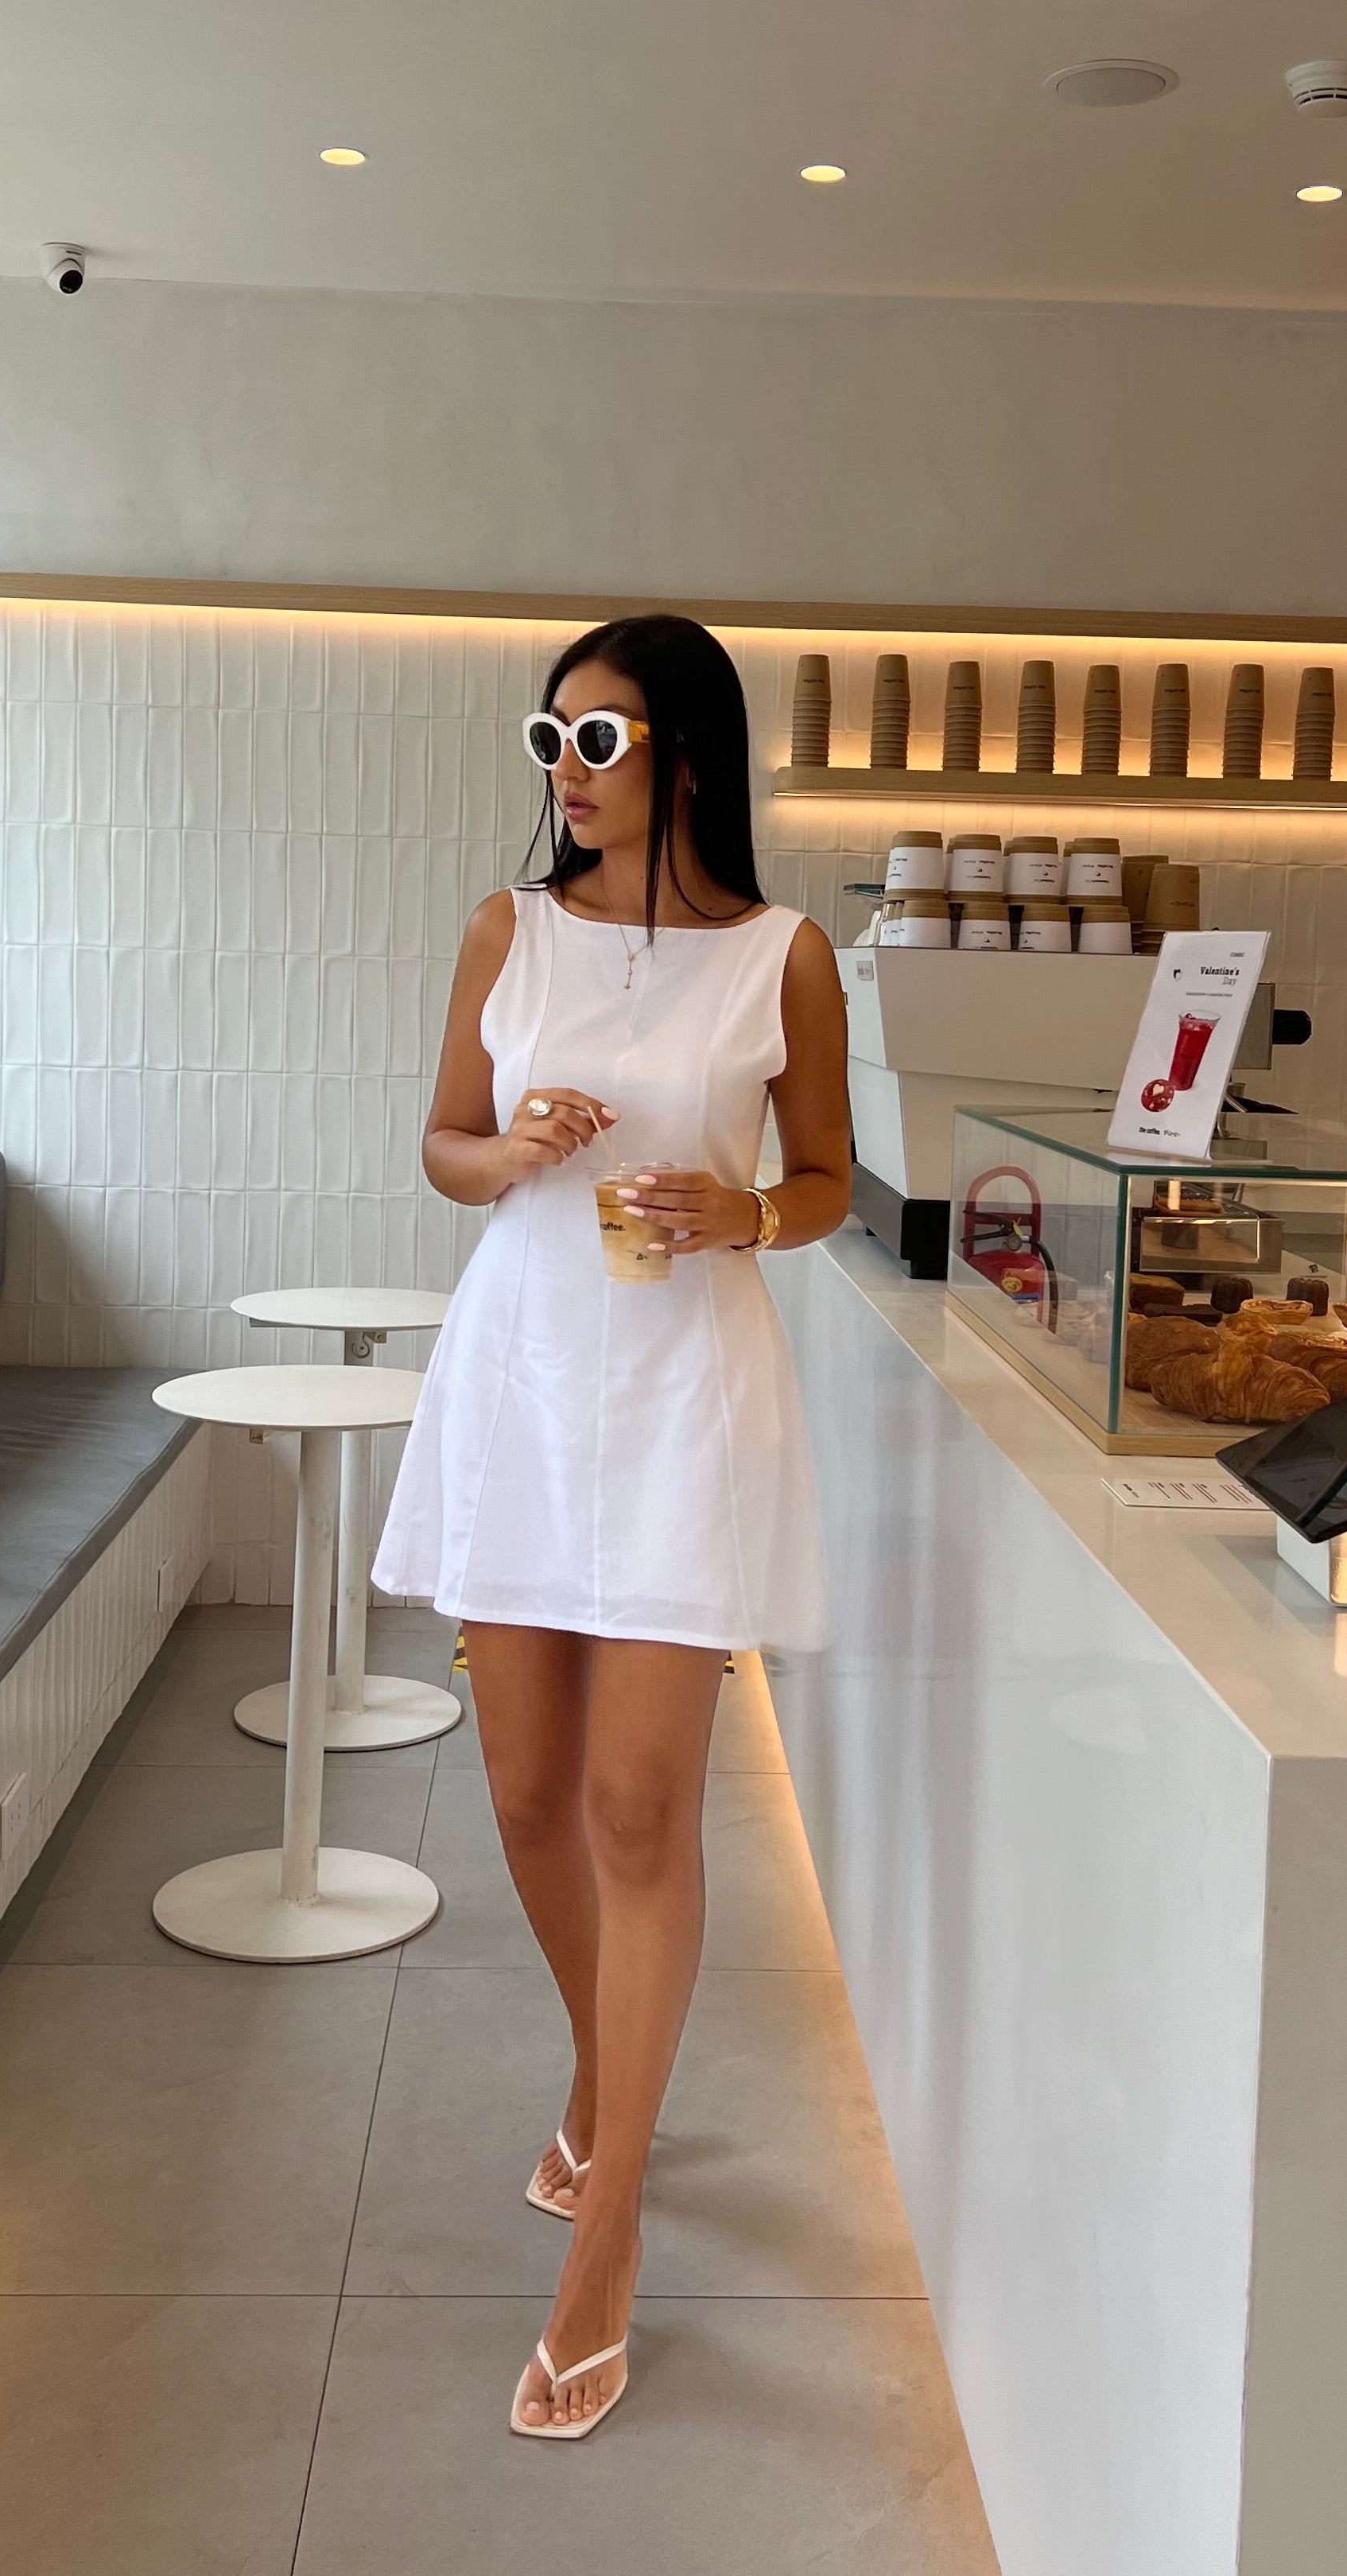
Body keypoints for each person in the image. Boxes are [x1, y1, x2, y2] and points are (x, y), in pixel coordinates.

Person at [372, 612, 849, 2439]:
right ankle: (604, 2073)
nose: (566, 772)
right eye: (550, 738)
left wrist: (751, 1214)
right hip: (521, 1383)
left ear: (687, 758)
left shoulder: (784, 959)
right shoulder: (509, 931)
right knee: (522, 1793)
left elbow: (828, 1177)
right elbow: (444, 1144)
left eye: (600, 739)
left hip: (682, 1401)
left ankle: (614, 2221)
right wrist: (512, 1156)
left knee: (642, 1807)